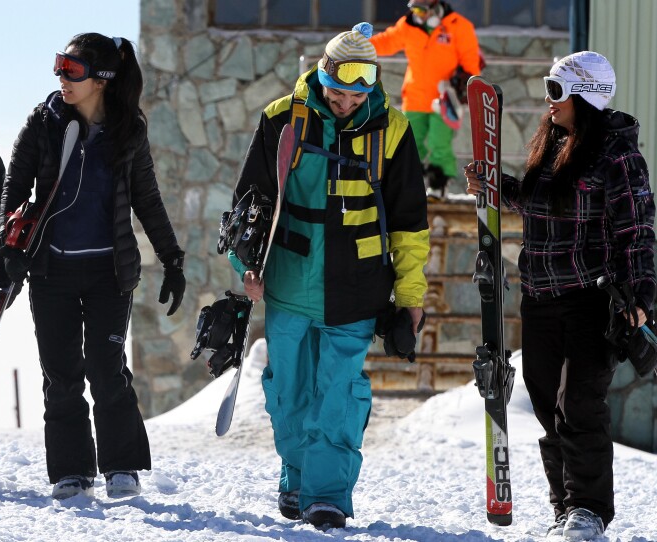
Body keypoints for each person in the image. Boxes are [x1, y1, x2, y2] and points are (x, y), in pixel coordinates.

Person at [229, 22, 429, 529]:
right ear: (321, 77)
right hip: (290, 286)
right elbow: (250, 205)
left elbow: (409, 223)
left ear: (372, 86)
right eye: (337, 93)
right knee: (289, 394)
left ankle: (328, 496)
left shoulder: (394, 130)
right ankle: (296, 480)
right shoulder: (282, 119)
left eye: (356, 95)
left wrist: (409, 295)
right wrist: (247, 266)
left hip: (360, 290)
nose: (345, 104)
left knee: (338, 395)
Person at [464, 51, 655, 541]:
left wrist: (641, 296)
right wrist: (496, 187)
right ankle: (565, 506)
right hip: (540, 298)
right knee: (549, 407)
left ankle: (589, 510)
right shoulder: (555, 145)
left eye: (556, 91)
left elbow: (638, 230)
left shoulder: (617, 154)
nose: (548, 102)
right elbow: (538, 202)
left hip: (593, 301)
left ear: (585, 96)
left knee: (579, 408)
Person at [0, 32, 185, 500]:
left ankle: (122, 466)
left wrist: (172, 259)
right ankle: (71, 470)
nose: (61, 77)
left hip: (108, 274)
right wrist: (7, 252)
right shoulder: (43, 123)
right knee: (60, 373)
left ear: (101, 79)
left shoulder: (128, 130)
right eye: (59, 66)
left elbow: (147, 198)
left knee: (106, 369)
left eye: (72, 69)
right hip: (50, 271)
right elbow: (13, 188)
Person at [370, 0, 481, 199]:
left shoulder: (460, 26)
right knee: (410, 143)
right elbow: (386, 42)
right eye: (414, 9)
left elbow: (471, 63)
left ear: (435, 8)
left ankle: (438, 187)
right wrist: (360, 43)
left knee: (440, 143)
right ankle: (412, 187)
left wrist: (462, 82)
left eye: (421, 10)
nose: (417, 14)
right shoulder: (408, 25)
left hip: (446, 99)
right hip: (415, 97)